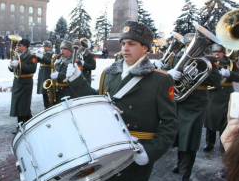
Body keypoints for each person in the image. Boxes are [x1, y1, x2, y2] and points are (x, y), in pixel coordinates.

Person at [65, 21, 178, 181]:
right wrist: (77, 79)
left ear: (145, 47)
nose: (125, 48)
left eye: (131, 44)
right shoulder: (109, 73)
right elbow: (98, 103)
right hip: (107, 147)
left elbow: (170, 123)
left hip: (137, 150)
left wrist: (151, 151)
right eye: (123, 43)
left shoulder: (159, 79)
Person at [162, 33, 221, 181]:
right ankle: (180, 163)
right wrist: (168, 74)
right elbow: (162, 76)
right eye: (188, 46)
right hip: (178, 102)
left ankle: (185, 172)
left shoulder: (208, 61)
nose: (190, 49)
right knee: (180, 135)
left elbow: (217, 81)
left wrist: (196, 75)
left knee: (191, 137)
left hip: (196, 103)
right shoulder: (174, 59)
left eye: (193, 46)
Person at [203, 44, 239, 153]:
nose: (216, 54)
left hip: (225, 95)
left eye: (219, 52)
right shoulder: (208, 63)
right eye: (215, 52)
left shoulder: (231, 63)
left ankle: (223, 143)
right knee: (210, 120)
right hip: (211, 94)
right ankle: (209, 143)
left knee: (224, 121)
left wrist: (229, 73)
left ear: (223, 53)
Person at [8, 39, 37, 134]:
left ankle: (22, 126)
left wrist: (20, 64)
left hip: (26, 83)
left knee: (23, 105)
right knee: (19, 105)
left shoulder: (31, 56)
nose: (17, 47)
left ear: (25, 46)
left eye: (19, 45)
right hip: (18, 82)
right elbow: (14, 69)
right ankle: (27, 125)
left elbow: (32, 69)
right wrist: (11, 66)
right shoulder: (17, 56)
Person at [50, 40, 78, 104]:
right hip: (58, 91)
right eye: (61, 48)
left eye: (65, 49)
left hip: (68, 92)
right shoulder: (59, 61)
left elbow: (72, 75)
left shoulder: (74, 61)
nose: (62, 50)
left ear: (70, 51)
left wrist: (58, 75)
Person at [36, 40, 54, 109]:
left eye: (46, 46)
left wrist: (42, 57)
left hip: (47, 73)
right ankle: (46, 105)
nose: (44, 48)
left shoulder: (52, 54)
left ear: (49, 47)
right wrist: (37, 56)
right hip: (42, 73)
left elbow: (50, 61)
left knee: (48, 90)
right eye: (44, 46)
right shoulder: (44, 53)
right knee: (43, 90)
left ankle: (49, 105)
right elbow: (37, 61)